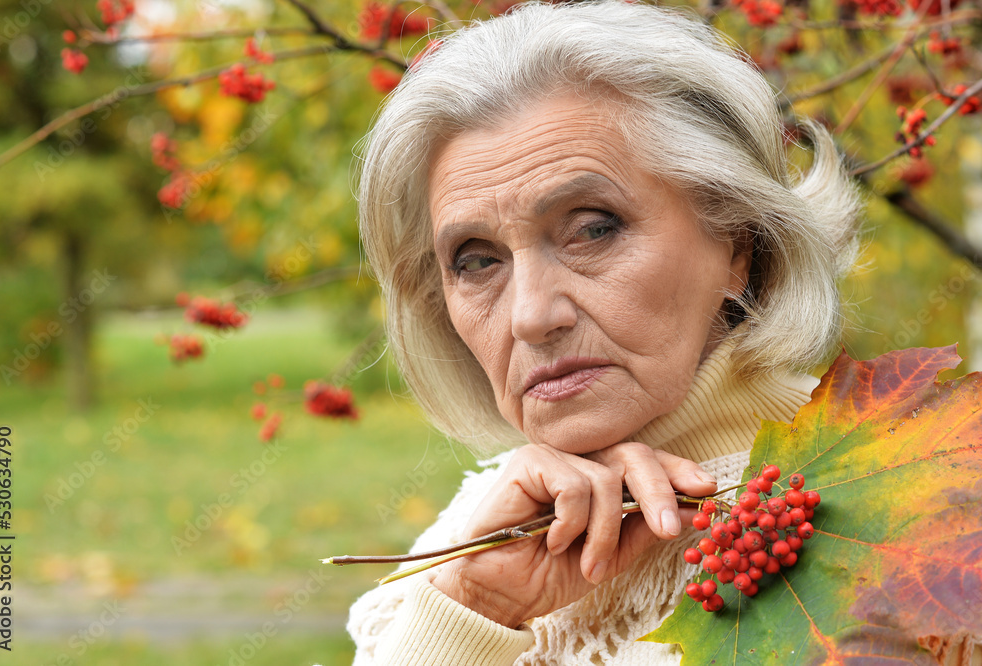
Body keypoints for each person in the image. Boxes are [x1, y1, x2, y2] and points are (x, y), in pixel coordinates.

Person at [347, 1, 860, 663]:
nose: (532, 315)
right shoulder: (473, 536)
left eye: (592, 229)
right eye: (477, 261)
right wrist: (475, 613)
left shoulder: (900, 505)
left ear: (738, 241)